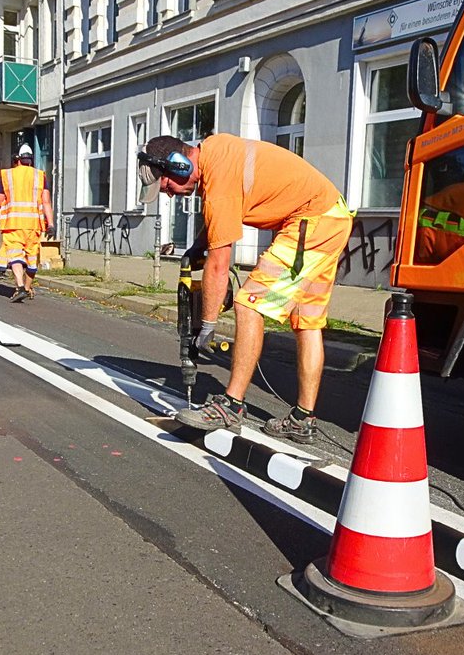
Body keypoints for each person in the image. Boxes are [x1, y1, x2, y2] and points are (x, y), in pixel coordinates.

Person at [137, 134, 354, 444]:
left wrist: (206, 326)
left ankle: (231, 407)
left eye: (167, 185)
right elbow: (216, 222)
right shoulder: (216, 156)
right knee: (306, 319)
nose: (169, 195)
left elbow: (218, 264)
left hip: (312, 223)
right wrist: (198, 246)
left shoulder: (218, 176)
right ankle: (302, 419)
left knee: (249, 303)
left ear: (181, 166)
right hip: (330, 218)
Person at [0, 144, 54, 303]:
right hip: (34, 225)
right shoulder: (40, 175)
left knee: (15, 256)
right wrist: (51, 224)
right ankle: (27, 288)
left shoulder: (7, 175)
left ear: (17, 159)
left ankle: (20, 287)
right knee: (32, 259)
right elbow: (46, 202)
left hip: (13, 224)